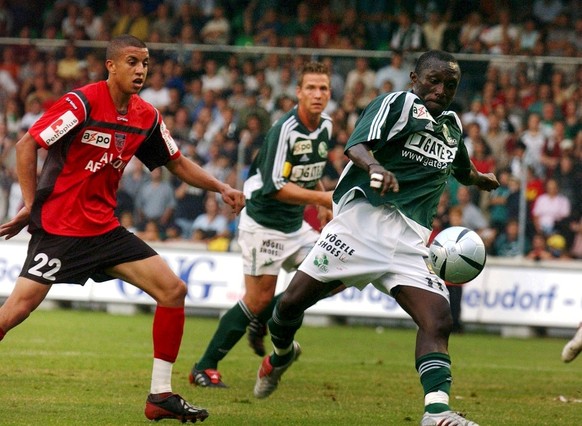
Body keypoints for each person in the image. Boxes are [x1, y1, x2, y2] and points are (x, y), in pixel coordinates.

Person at [0, 35, 245, 423]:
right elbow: (28, 144)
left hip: (105, 230)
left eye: (145, 63)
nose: (141, 70)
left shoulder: (146, 116)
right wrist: (31, 206)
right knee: (15, 311)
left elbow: (177, 163)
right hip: (61, 229)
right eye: (132, 62)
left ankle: (160, 396)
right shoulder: (81, 102)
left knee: (172, 289)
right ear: (110, 65)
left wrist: (221, 186)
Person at [253, 50, 499, 426]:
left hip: (408, 243)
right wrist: (376, 167)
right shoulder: (398, 103)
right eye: (433, 80)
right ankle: (282, 355)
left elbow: (460, 168)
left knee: (438, 319)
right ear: (414, 78)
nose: (441, 89)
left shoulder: (451, 125)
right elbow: (356, 146)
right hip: (359, 228)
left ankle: (436, 412)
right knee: (288, 307)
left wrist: (480, 179)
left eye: (450, 85)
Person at [189, 61, 335, 388]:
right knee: (255, 300)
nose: (317, 94)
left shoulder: (325, 126)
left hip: (295, 225)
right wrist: (323, 202)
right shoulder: (284, 129)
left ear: (329, 93)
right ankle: (204, 366)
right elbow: (276, 187)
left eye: (323, 88)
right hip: (264, 223)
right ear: (298, 92)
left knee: (336, 272)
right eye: (310, 87)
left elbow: (309, 172)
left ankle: (267, 316)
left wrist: (323, 200)